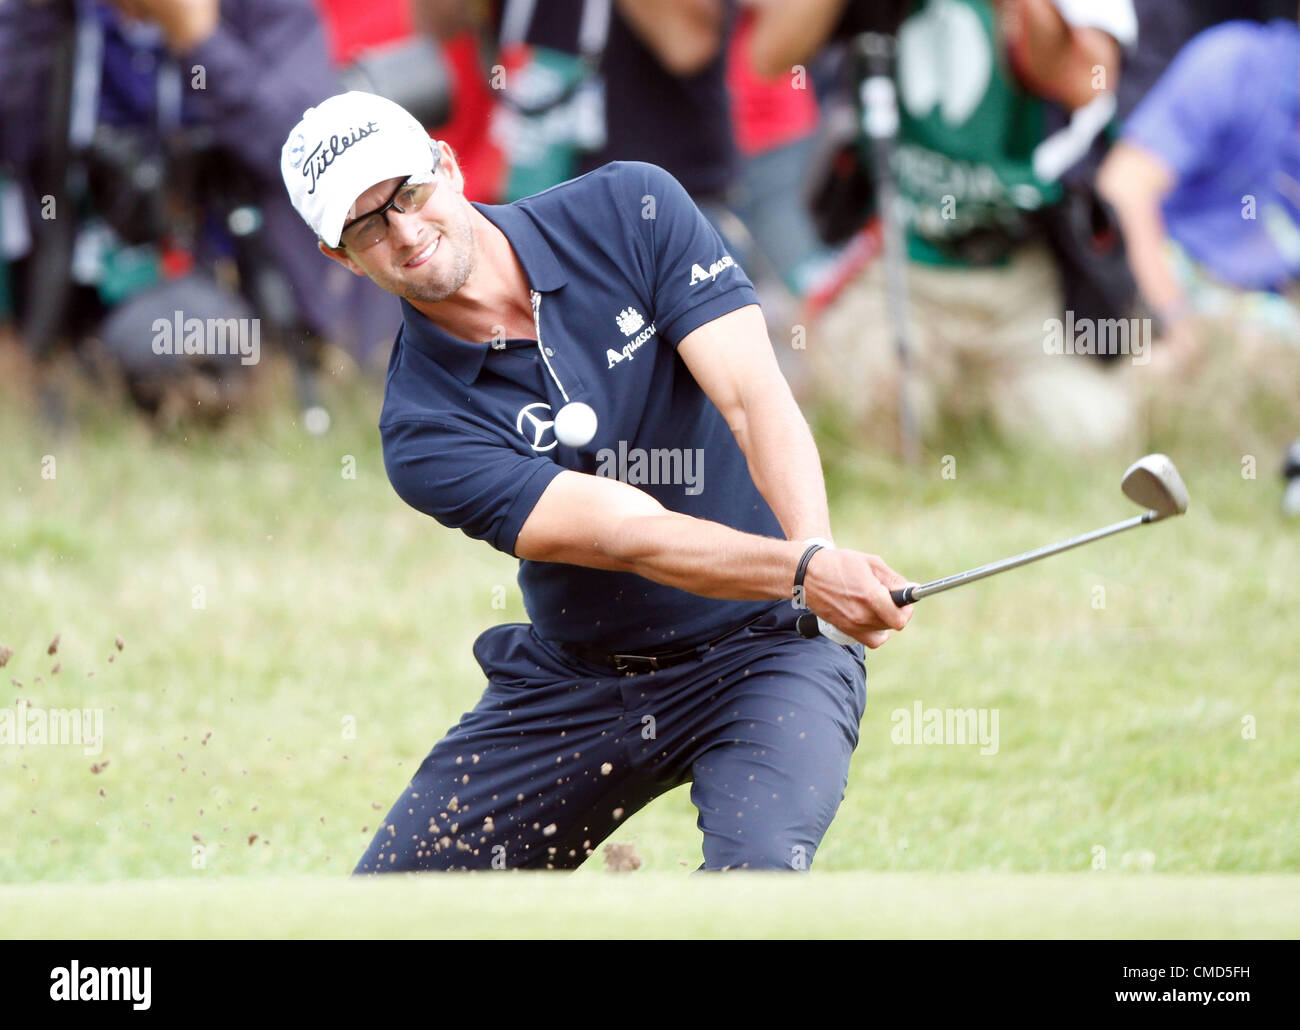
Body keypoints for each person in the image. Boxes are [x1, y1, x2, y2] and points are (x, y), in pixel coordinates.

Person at [280, 91, 915, 871]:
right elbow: (627, 534)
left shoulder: (630, 208)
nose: (404, 232)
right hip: (579, 688)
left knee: (754, 889)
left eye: (408, 194)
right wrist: (806, 570)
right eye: (366, 225)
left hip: (771, 645)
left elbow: (754, 399)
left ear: (447, 164)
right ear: (339, 257)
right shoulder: (423, 429)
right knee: (391, 913)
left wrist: (810, 564)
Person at [752, 0, 1141, 452]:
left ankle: (986, 403)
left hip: (1026, 273)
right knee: (869, 413)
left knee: (1086, 435)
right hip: (902, 261)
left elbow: (1087, 81)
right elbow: (769, 56)